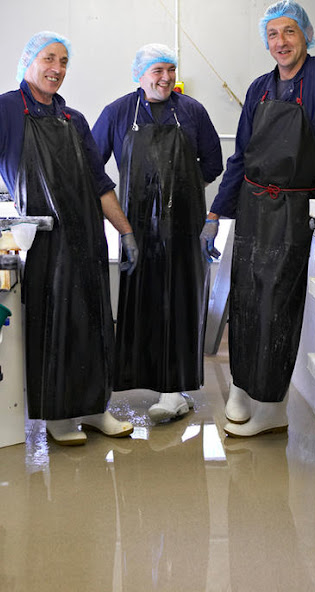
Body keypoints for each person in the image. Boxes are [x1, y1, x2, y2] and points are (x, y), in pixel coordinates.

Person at [200, 0, 315, 438]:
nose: (280, 42)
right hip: (251, 207)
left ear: (305, 34)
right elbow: (240, 157)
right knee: (245, 303)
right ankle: (243, 388)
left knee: (276, 307)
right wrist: (215, 212)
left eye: (289, 32)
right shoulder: (260, 88)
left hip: (293, 209)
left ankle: (273, 405)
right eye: (272, 35)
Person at [0, 31, 139, 446]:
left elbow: (100, 184)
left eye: (63, 62)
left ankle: (96, 410)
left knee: (94, 326)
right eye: (48, 59)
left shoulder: (73, 119)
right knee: (56, 327)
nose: (56, 69)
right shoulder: (5, 109)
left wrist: (125, 231)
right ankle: (59, 417)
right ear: (28, 62)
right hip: (46, 242)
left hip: (89, 240)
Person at [92, 43, 223, 422]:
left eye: (170, 69)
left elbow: (213, 162)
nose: (165, 77)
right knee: (142, 302)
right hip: (136, 230)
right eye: (157, 70)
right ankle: (139, 379)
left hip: (185, 229)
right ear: (140, 74)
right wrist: (123, 220)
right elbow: (93, 168)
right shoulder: (118, 112)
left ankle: (174, 390)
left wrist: (179, 190)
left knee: (180, 303)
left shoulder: (193, 111)